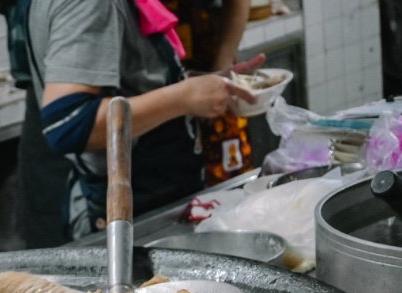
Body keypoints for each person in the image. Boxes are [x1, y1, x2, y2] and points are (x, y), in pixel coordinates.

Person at [20, 0, 259, 239]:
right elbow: (70, 125)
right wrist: (184, 97)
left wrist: (202, 85)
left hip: (153, 203)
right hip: (128, 214)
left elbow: (128, 83)